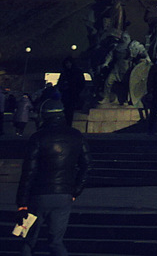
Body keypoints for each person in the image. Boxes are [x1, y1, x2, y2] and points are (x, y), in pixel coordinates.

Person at [14, 96, 90, 256]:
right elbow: (86, 165)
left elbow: (28, 172)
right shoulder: (76, 135)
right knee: (56, 242)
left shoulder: (38, 137)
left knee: (28, 239)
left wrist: (22, 202)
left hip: (39, 194)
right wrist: (76, 190)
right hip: (64, 195)